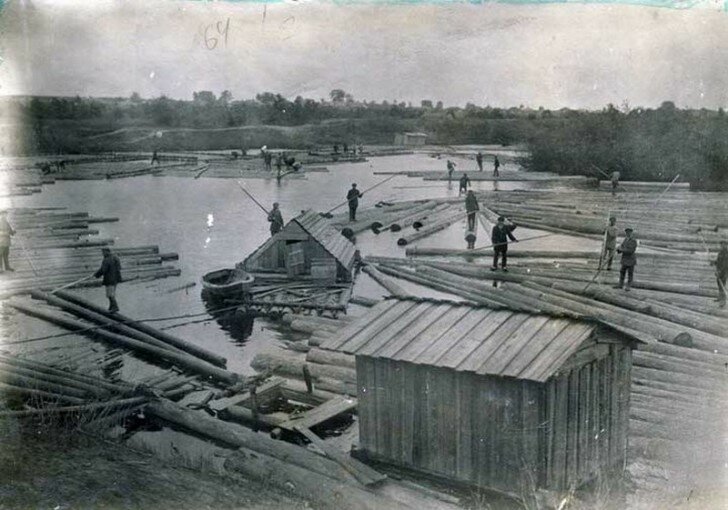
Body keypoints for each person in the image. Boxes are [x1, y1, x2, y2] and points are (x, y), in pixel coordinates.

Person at [94, 247, 122, 312]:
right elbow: (119, 268)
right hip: (115, 279)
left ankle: (115, 307)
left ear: (107, 252)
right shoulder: (116, 258)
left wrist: (96, 274)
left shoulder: (106, 260)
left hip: (109, 279)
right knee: (112, 293)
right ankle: (111, 307)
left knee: (110, 294)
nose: (102, 254)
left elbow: (103, 270)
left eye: (103, 252)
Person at [712, 240, 728, 307]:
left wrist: (720, 272)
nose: (721, 246)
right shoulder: (720, 253)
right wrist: (713, 262)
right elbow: (718, 261)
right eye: (721, 245)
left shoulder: (726, 254)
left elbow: (725, 265)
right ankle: (720, 297)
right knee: (719, 284)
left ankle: (723, 301)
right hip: (719, 271)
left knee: (722, 285)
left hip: (724, 272)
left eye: (723, 245)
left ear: (726, 245)